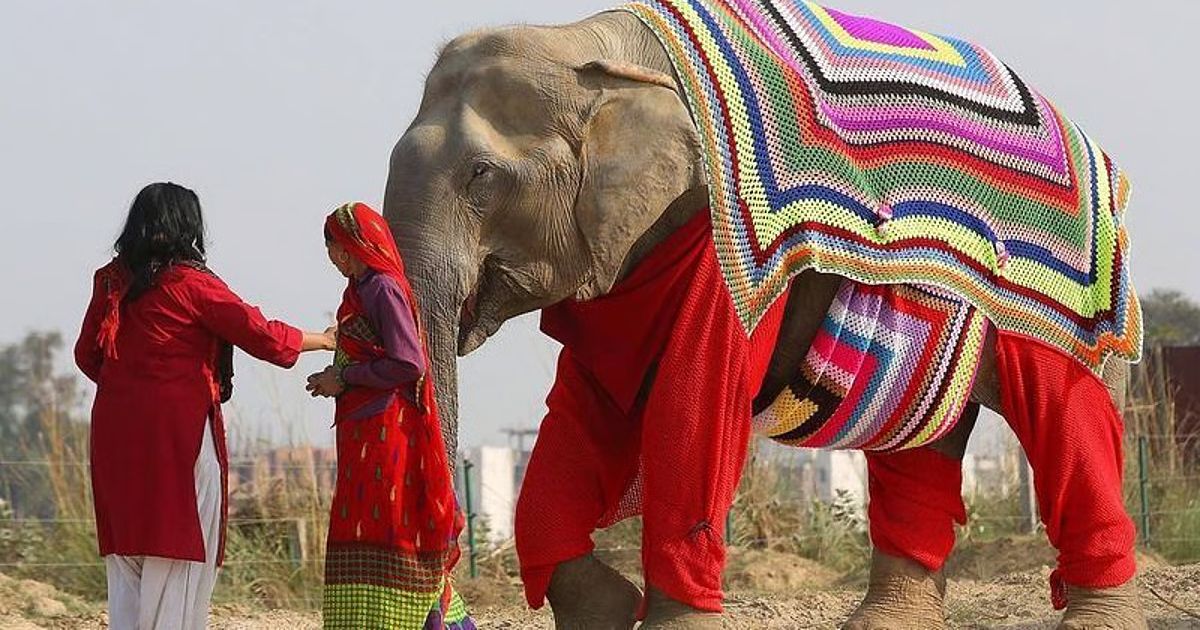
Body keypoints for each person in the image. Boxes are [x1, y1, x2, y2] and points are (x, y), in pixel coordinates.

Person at [74, 182, 336, 630]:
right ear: (189, 227)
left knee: (128, 557)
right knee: (179, 546)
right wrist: (325, 340)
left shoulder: (111, 280)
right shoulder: (192, 285)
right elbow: (263, 335)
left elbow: (87, 355)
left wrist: (131, 391)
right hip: (178, 435)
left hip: (115, 434)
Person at [307, 201, 472, 629]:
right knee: (370, 526)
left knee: (398, 527)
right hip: (365, 432)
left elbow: (409, 363)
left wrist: (345, 378)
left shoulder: (382, 288)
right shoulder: (359, 291)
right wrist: (338, 376)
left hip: (389, 433)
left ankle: (424, 620)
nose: (333, 258)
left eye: (336, 248)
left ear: (353, 247)